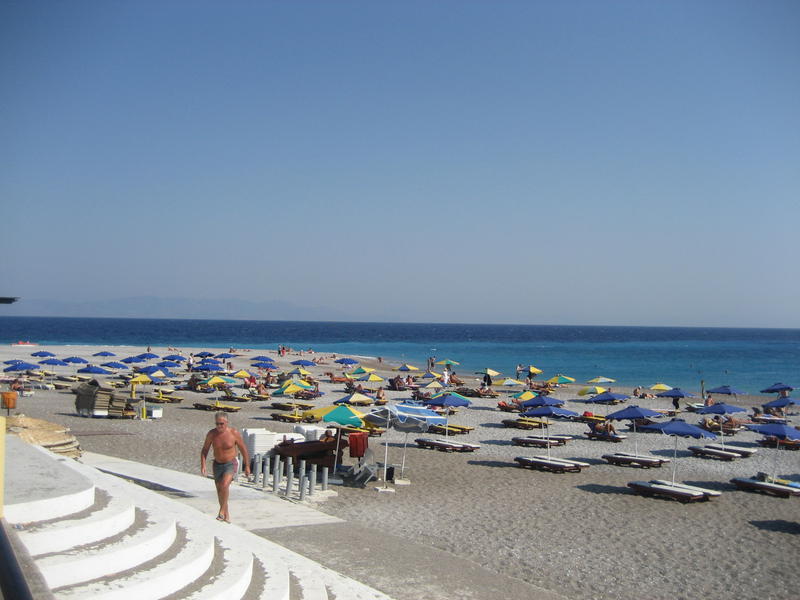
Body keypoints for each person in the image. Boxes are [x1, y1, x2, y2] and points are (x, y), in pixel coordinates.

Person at [201, 412, 250, 523]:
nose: (219, 426)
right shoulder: (211, 434)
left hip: (230, 463)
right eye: (217, 424)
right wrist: (203, 464)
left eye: (221, 424)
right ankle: (226, 515)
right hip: (217, 464)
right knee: (220, 491)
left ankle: (221, 511)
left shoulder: (234, 433)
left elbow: (243, 449)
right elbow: (205, 450)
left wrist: (247, 466)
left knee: (224, 485)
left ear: (226, 423)